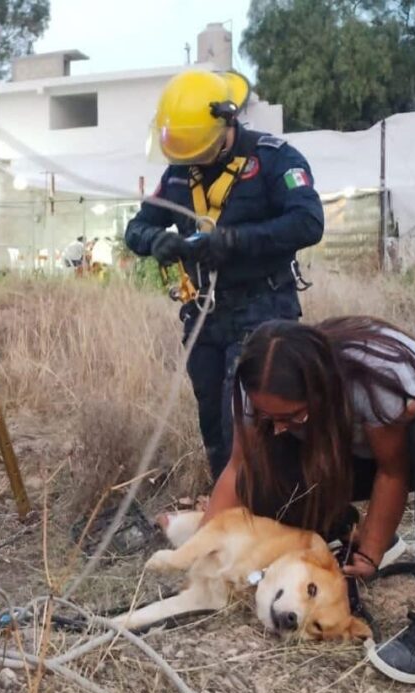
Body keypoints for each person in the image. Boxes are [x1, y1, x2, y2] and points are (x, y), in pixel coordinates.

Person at [206, 316, 415, 684]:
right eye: (268, 417)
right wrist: (202, 550)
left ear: (321, 390)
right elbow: (238, 468)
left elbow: (393, 471)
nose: (279, 426)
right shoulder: (254, 386)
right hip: (359, 453)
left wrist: (371, 553)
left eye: (291, 415)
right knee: (264, 470)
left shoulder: (373, 374)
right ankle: (342, 532)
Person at [124, 70, 324, 481]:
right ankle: (229, 512)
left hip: (263, 308)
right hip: (205, 315)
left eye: (200, 151)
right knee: (214, 424)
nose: (193, 160)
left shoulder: (274, 159)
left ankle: (273, 513)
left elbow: (308, 223)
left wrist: (232, 241)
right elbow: (137, 227)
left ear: (227, 123)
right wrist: (155, 240)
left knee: (249, 422)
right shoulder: (180, 170)